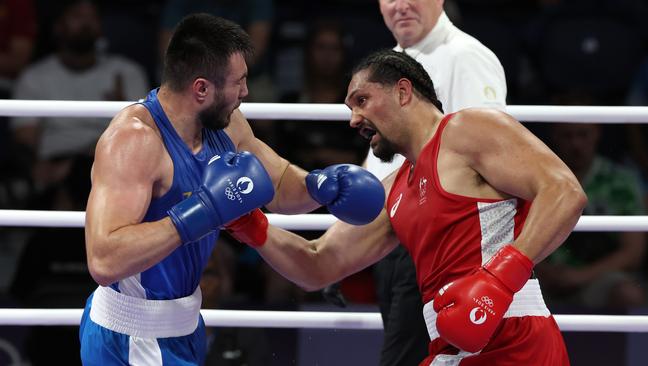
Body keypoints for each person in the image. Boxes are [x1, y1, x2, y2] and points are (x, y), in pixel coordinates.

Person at [228, 49, 586, 365]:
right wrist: (250, 226)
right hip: (451, 344)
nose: (354, 120)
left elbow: (565, 192)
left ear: (403, 91)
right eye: (351, 108)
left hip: (514, 336)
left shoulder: (467, 129)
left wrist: (498, 281)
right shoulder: (395, 189)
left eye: (362, 100)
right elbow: (319, 263)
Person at [80, 14, 385, 365]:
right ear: (201, 89)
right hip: (131, 335)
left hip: (183, 324)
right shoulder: (134, 141)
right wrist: (202, 212)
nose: (245, 92)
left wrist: (321, 186)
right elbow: (104, 259)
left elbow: (280, 183)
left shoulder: (226, 126)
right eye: (237, 82)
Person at [327, 1, 508, 364]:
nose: (401, 5)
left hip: (435, 245)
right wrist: (346, 242)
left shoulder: (467, 57)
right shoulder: (385, 66)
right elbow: (380, 164)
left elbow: (486, 155)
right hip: (392, 238)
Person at [11, 0, 149, 194]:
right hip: (52, 167)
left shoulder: (127, 72)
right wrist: (37, 168)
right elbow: (25, 138)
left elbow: (139, 135)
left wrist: (122, 111)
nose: (86, 23)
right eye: (77, 16)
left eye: (92, 17)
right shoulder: (34, 77)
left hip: (108, 163)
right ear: (57, 26)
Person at [537, 121, 647, 310]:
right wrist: (544, 273)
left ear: (597, 133)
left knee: (628, 293)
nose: (576, 143)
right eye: (567, 135)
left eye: (583, 134)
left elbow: (633, 253)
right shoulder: (536, 177)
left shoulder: (620, 181)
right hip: (542, 277)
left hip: (599, 277)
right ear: (554, 135)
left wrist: (580, 276)